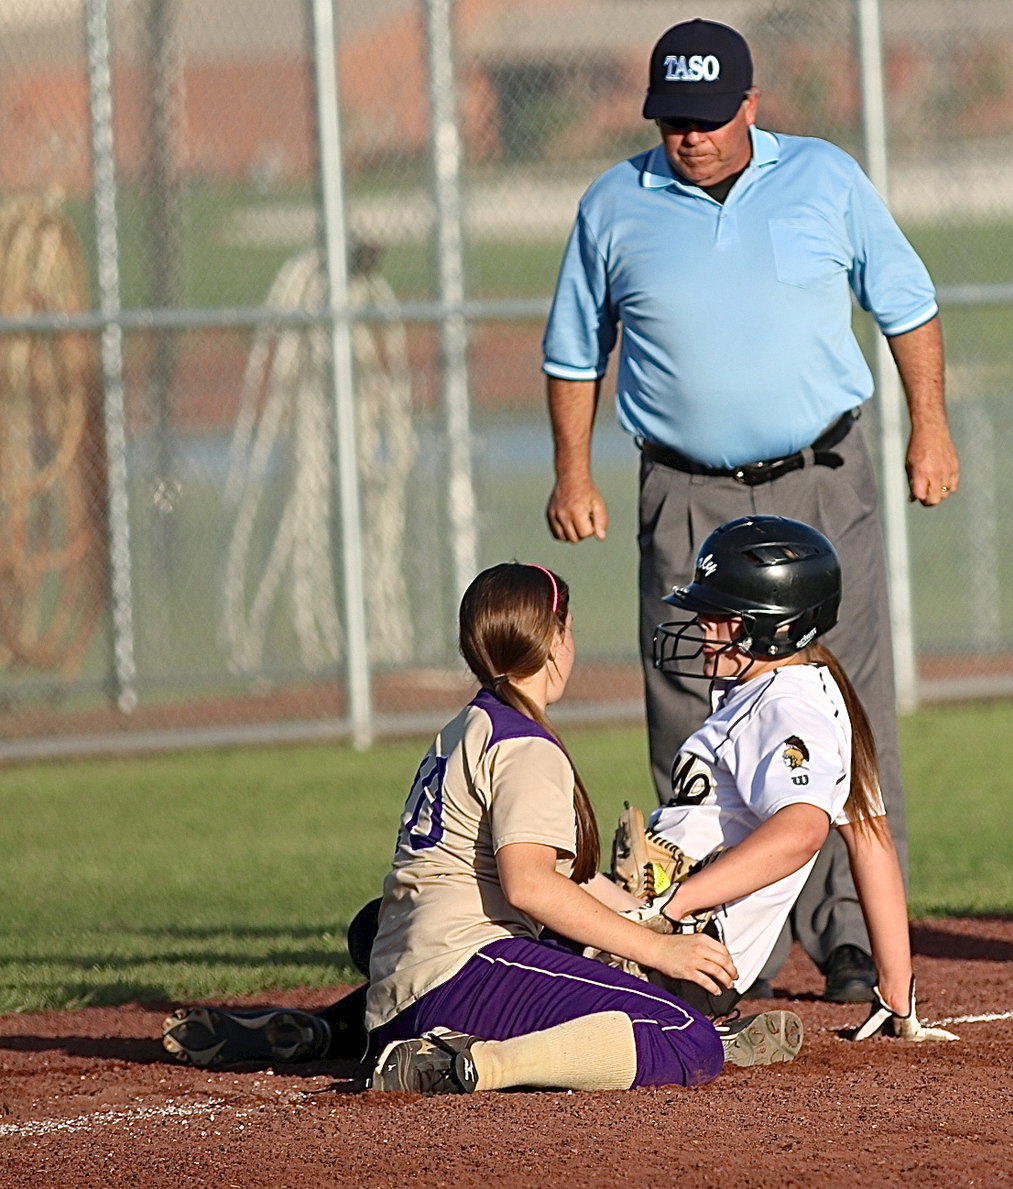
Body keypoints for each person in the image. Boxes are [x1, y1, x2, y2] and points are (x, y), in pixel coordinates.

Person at [541, 18, 960, 1004]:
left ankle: (851, 936)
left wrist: (930, 429)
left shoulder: (824, 179)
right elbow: (573, 349)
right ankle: (721, 940)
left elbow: (906, 303)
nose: (688, 136)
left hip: (821, 477)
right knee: (696, 715)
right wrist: (573, 472)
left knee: (846, 708)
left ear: (751, 105)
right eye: (672, 119)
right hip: (683, 488)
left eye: (707, 118)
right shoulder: (615, 203)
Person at [165, 562, 805, 1088]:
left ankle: (335, 1030)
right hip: (456, 976)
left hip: (407, 980)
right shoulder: (526, 746)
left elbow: (560, 878)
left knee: (577, 951)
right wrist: (659, 948)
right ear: (554, 641)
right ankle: (471, 1064)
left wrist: (644, 915)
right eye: (569, 630)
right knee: (686, 1040)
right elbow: (531, 887)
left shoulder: (471, 722)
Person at [644, 514, 956, 1042]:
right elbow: (870, 838)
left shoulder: (786, 708)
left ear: (771, 626)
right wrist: (897, 995)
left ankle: (695, 1042)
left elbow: (803, 830)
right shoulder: (811, 692)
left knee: (509, 983)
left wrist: (670, 908)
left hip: (682, 950)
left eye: (716, 614)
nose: (698, 625)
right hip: (678, 938)